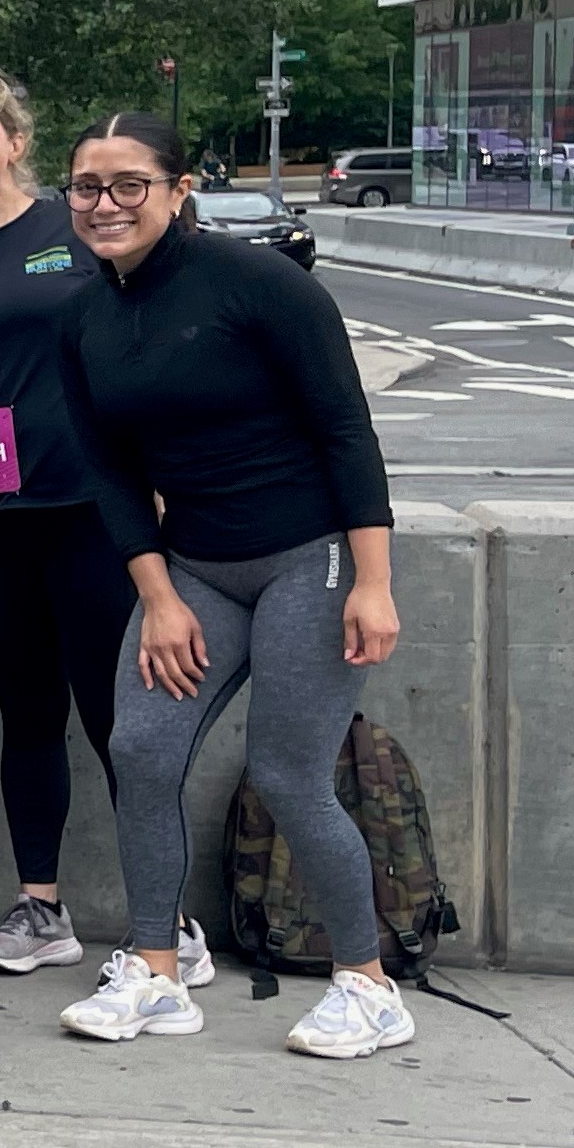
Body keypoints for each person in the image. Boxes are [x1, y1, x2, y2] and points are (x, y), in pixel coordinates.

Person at [50, 116, 415, 1059]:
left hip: (309, 557)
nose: (106, 204)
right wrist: (159, 595)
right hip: (196, 567)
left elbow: (347, 432)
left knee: (290, 771)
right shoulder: (82, 317)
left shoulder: (261, 285)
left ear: (179, 191)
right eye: (87, 186)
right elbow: (112, 473)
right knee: (141, 748)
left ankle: (368, 986)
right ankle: (157, 971)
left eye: (130, 184)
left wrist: (371, 583)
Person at [0, 66, 153, 983]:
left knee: (118, 723)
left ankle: (162, 921)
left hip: (96, 513)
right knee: (28, 719)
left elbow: (150, 343)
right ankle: (41, 907)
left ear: (15, 139)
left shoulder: (78, 230)